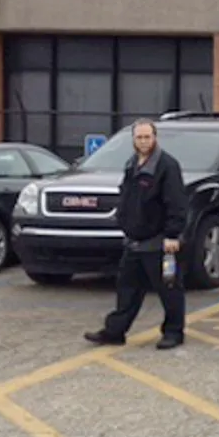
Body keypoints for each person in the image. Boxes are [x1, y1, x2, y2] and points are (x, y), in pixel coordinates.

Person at [85, 119, 190, 350]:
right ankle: (115, 332)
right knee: (127, 290)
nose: (144, 141)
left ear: (155, 138)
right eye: (139, 137)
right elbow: (126, 195)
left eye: (147, 137)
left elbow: (177, 203)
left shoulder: (166, 166)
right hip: (134, 243)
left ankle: (174, 332)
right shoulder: (132, 164)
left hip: (159, 243)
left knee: (169, 289)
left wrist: (173, 234)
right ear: (133, 140)